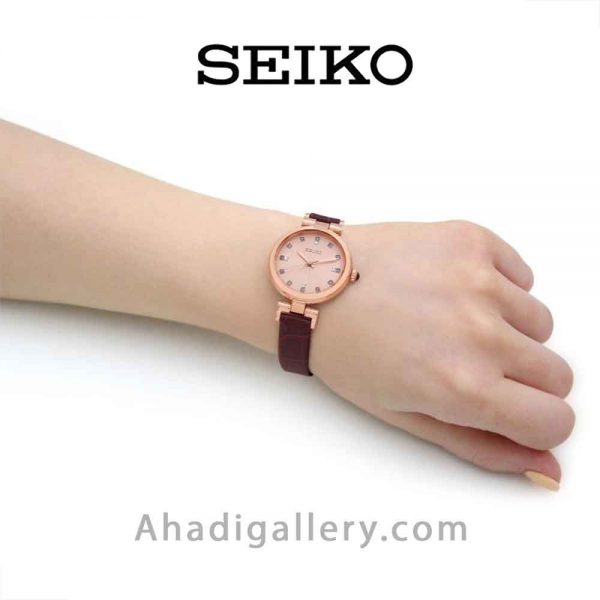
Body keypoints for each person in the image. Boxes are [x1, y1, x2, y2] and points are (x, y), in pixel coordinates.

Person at [0, 119, 574, 490]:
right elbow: (295, 265)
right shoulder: (303, 278)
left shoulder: (319, 256)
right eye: (306, 261)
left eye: (316, 260)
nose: (309, 267)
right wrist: (298, 313)